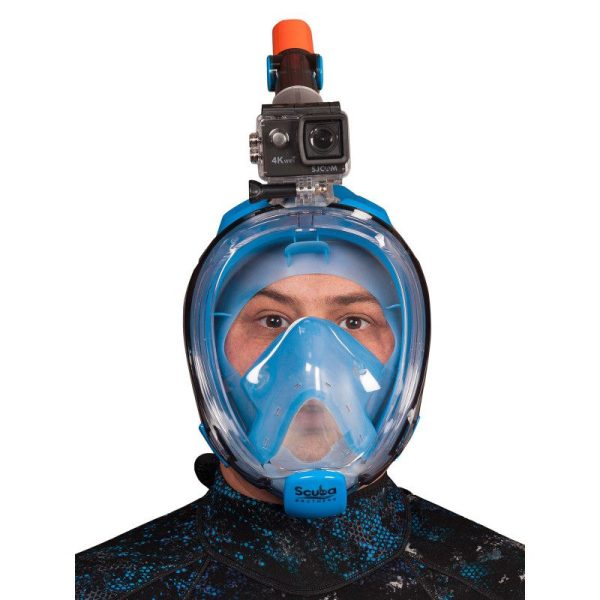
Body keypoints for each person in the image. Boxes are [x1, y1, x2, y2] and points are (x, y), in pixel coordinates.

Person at [75, 185, 525, 599]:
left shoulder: (506, 581)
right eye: (273, 321)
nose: (312, 365)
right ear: (209, 355)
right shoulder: (97, 587)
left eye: (353, 322)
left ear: (406, 354)